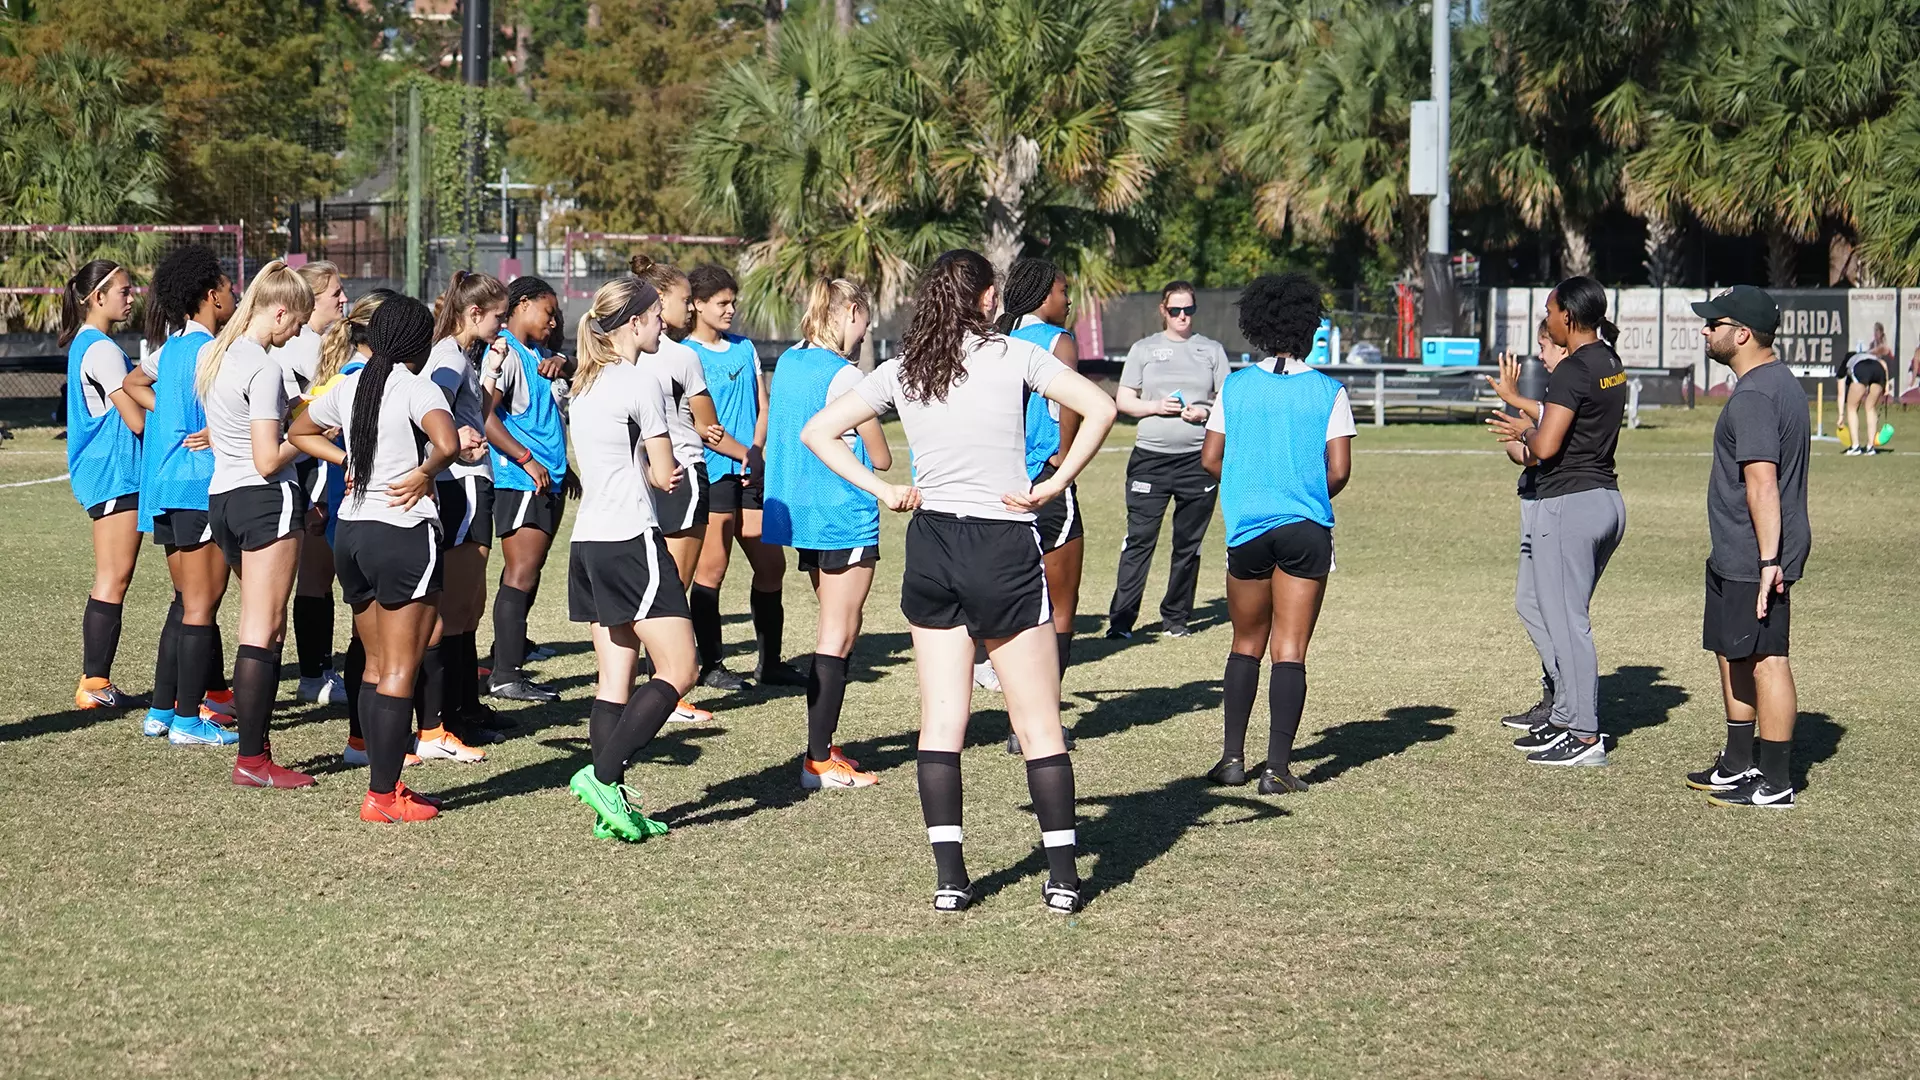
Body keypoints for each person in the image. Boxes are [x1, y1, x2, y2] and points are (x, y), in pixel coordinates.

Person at [800, 249, 1117, 915]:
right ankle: (1062, 878)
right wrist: (1056, 483)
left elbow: (816, 433)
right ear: (985, 297)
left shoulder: (903, 366)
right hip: (1001, 540)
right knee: (1038, 723)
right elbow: (1100, 409)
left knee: (942, 721)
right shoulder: (1016, 356)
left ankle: (951, 881)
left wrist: (883, 490)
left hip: (934, 545)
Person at [291, 296, 462, 822]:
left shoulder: (349, 383)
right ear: (419, 342)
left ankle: (375, 767)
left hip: (354, 532)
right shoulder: (417, 386)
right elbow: (448, 442)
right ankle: (384, 796)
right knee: (399, 671)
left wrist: (346, 460)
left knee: (372, 669)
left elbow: (297, 432)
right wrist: (424, 472)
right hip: (403, 532)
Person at [1200, 273, 1355, 795]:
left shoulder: (1236, 385)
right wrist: (1298, 491)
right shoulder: (1329, 391)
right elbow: (1339, 470)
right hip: (1306, 529)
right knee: (1290, 649)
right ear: (1310, 326)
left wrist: (1252, 485)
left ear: (1258, 327)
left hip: (1247, 530)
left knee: (1246, 642)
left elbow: (1210, 458)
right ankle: (1278, 769)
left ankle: (1230, 759)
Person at [559, 275, 700, 840]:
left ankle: (610, 810)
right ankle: (603, 775)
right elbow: (664, 473)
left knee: (614, 679)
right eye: (656, 314)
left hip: (589, 541)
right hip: (630, 540)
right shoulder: (641, 382)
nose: (663, 321)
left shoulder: (585, 382)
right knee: (680, 668)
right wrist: (674, 474)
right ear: (635, 322)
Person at [1486, 276, 1629, 767]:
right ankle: (1568, 720)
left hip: (1571, 503)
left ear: (1568, 315)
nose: (1545, 321)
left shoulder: (1572, 369)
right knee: (1562, 617)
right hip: (1606, 498)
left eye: (1548, 312)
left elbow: (1544, 447)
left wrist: (1523, 429)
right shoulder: (1610, 361)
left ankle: (1585, 737)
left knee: (1568, 624)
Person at [1685, 286, 1809, 808]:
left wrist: (1767, 562)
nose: (1705, 330)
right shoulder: (1775, 382)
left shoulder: (1756, 394)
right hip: (1737, 548)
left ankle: (1776, 781)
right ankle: (1738, 763)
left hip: (1755, 553)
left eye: (1715, 323)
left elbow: (1762, 481)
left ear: (1742, 334)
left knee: (1766, 658)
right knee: (1732, 648)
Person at [762, 279, 887, 789]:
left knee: (836, 628)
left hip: (804, 514)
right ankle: (817, 760)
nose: (868, 329)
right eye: (865, 318)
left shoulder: (791, 359)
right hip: (843, 513)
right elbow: (880, 456)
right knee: (837, 633)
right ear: (851, 312)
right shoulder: (845, 376)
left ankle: (823, 743)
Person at [198, 260, 316, 788]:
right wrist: (315, 436)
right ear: (280, 311)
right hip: (264, 499)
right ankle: (252, 761)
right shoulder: (264, 367)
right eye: (298, 323)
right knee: (262, 631)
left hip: (222, 499)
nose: (297, 334)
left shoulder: (217, 353)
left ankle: (255, 750)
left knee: (265, 626)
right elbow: (269, 460)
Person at [120, 244, 238, 746]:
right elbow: (233, 412)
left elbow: (135, 386)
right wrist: (215, 429)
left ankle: (161, 710)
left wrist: (171, 423)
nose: (235, 292)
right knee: (201, 606)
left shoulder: (171, 348)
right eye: (230, 286)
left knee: (184, 601)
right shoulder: (211, 350)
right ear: (212, 295)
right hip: (196, 484)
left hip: (166, 484)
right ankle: (189, 720)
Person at [630, 254, 736, 722]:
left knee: (652, 580)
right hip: (683, 472)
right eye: (682, 300)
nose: (689, 309)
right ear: (657, 301)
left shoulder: (619, 352)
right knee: (674, 586)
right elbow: (708, 424)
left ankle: (642, 682)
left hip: (641, 476)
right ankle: (668, 688)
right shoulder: (681, 355)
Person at [682, 265, 796, 690]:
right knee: (712, 570)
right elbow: (695, 422)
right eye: (722, 303)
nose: (731, 310)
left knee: (771, 566)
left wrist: (757, 452)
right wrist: (740, 453)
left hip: (753, 470)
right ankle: (710, 665)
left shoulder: (744, 347)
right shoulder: (685, 354)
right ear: (696, 305)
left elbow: (762, 404)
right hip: (714, 475)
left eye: (733, 302)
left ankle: (771, 664)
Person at [1106, 281, 1231, 640]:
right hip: (1150, 460)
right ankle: (1121, 621)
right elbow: (1123, 399)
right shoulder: (1144, 350)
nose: (1182, 317)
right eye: (1175, 310)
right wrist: (1154, 407)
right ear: (1163, 310)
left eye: (1188, 310)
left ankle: (1176, 618)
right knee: (1139, 539)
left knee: (1188, 545)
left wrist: (1204, 414)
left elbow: (1227, 401)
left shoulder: (1211, 351)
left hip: (1197, 461)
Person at [996, 257, 1085, 754]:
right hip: (1047, 483)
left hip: (1002, 483)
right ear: (1041, 295)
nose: (1068, 300)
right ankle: (1038, 723)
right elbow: (1071, 403)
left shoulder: (1000, 341)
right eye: (1063, 290)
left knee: (1016, 602)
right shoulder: (1058, 341)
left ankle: (1017, 719)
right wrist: (1066, 461)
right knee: (1060, 606)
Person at [423, 270, 512, 751]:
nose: (503, 324)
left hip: (473, 485)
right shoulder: (445, 359)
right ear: (474, 313)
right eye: (499, 316)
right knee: (455, 609)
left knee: (468, 606)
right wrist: (453, 443)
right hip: (459, 487)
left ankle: (465, 707)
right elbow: (427, 410)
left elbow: (472, 408)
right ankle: (445, 718)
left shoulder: (464, 355)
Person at [62, 259, 147, 711]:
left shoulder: (88, 344)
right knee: (113, 578)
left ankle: (95, 680)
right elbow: (135, 418)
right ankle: (95, 682)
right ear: (98, 297)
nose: (131, 297)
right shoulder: (101, 349)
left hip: (107, 472)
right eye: (124, 291)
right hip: (114, 472)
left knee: (112, 577)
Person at [483, 275, 570, 702]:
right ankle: (504, 674)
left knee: (528, 575)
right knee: (519, 574)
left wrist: (562, 468)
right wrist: (525, 458)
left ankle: (507, 659)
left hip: (546, 480)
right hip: (520, 481)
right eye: (547, 312)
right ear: (520, 305)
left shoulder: (538, 354)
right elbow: (484, 416)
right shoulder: (504, 352)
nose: (553, 322)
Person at [275, 260, 350, 705]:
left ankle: (318, 669)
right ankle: (314, 673)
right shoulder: (305, 347)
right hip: (310, 471)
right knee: (316, 576)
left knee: (320, 577)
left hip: (318, 467)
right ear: (311, 298)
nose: (343, 299)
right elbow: (307, 413)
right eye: (335, 293)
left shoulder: (316, 343)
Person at [1488, 322, 1568, 730]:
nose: (1540, 354)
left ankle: (1564, 694)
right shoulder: (1554, 393)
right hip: (1534, 498)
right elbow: (1520, 450)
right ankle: (1556, 693)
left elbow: (1535, 452)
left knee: (1545, 606)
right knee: (1532, 603)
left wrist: (1516, 410)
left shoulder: (1570, 393)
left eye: (1544, 345)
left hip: (1551, 503)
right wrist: (1512, 410)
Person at [1840, 342, 1888, 456]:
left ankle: (1855, 447)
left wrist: (1841, 415)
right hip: (1879, 369)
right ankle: (1871, 447)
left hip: (1861, 369)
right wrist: (1886, 386)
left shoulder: (1847, 363)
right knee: (1870, 407)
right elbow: (1883, 364)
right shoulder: (1870, 356)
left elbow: (1841, 393)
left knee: (1851, 407)